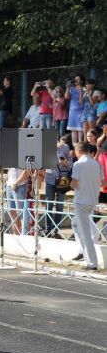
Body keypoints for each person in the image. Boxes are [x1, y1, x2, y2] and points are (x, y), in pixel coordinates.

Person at [70, 142, 104, 271]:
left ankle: (92, 264)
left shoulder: (78, 164)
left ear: (79, 151)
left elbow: (74, 184)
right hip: (92, 201)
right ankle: (84, 252)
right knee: (75, 224)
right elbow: (102, 182)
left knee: (85, 234)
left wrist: (71, 184)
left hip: (81, 202)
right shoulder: (96, 164)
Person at [43, 141, 72, 237]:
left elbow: (71, 164)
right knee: (49, 205)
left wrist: (65, 162)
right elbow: (43, 162)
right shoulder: (46, 146)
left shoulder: (65, 147)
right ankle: (48, 229)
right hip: (50, 179)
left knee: (59, 206)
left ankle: (56, 229)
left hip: (62, 179)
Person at [6, 167, 30, 235]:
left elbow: (27, 171)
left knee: (21, 212)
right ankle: (15, 234)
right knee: (11, 211)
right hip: (9, 185)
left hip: (20, 186)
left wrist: (16, 183)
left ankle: (24, 235)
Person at [66, 74, 86, 143]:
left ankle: (80, 149)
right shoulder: (72, 88)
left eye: (78, 79)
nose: (76, 80)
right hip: (73, 113)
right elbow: (67, 97)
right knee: (73, 132)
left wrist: (81, 92)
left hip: (81, 112)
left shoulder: (84, 89)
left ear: (82, 81)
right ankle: (74, 150)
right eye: (75, 79)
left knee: (80, 131)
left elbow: (82, 102)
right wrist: (68, 87)